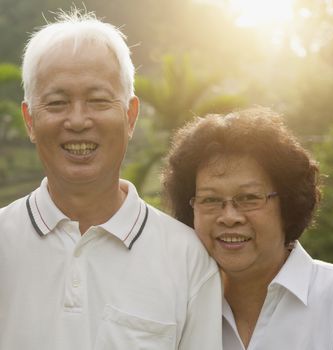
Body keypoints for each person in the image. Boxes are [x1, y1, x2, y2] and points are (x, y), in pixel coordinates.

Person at [0, 9, 223, 350]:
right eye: (58, 102)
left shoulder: (187, 258)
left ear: (130, 116)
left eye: (98, 100)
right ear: (29, 120)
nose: (77, 120)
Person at [162, 107, 333, 350]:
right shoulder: (174, 306)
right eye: (210, 199)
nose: (229, 217)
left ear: (288, 203)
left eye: (249, 197)